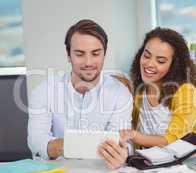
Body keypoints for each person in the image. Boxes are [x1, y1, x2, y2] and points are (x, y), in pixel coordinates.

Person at [98, 27, 196, 169]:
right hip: (152, 164)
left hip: (190, 163)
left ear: (174, 66)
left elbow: (173, 140)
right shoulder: (139, 91)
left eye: (160, 61)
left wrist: (133, 135)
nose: (149, 64)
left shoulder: (185, 91)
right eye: (147, 56)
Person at [27, 19, 133, 160]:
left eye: (95, 54)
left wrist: (122, 153)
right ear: (68, 54)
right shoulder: (44, 91)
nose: (88, 62)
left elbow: (121, 140)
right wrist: (71, 146)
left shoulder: (120, 93)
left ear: (104, 54)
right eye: (80, 54)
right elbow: (36, 142)